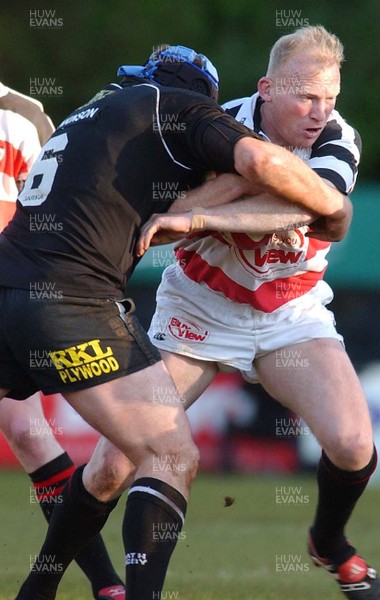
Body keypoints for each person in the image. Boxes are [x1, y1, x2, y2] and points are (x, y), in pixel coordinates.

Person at [0, 44, 347, 600]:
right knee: (169, 453)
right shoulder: (179, 107)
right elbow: (259, 163)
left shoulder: (91, 113)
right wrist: (332, 207)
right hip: (70, 301)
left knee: (93, 454)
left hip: (7, 288)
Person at [139, 26, 380, 600]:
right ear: (267, 88)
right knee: (116, 461)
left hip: (288, 312)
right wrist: (211, 194)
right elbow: (162, 208)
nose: (320, 113)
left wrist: (207, 213)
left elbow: (302, 204)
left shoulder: (339, 140)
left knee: (353, 446)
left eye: (330, 98)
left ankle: (330, 543)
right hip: (200, 306)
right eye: (305, 96)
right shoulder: (216, 122)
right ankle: (96, 582)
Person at [0, 81, 125, 599]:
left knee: (28, 433)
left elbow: (53, 200)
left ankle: (106, 586)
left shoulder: (22, 115)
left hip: (8, 284)